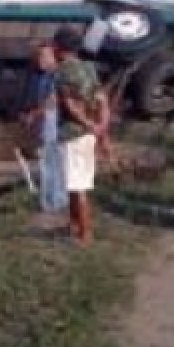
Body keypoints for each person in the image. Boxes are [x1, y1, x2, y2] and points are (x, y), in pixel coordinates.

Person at [51, 24, 110, 245]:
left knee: (77, 186)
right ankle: (74, 225)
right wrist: (101, 126)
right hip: (89, 134)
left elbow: (69, 105)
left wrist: (88, 124)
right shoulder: (88, 67)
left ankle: (85, 234)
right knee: (77, 182)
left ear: (58, 47)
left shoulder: (63, 71)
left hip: (74, 132)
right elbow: (102, 98)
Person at [19, 42, 66, 219]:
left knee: (51, 161)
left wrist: (33, 114)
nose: (40, 60)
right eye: (38, 56)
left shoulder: (56, 75)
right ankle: (51, 199)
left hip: (52, 120)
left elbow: (52, 101)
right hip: (45, 121)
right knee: (47, 160)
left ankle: (53, 202)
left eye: (44, 56)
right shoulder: (40, 76)